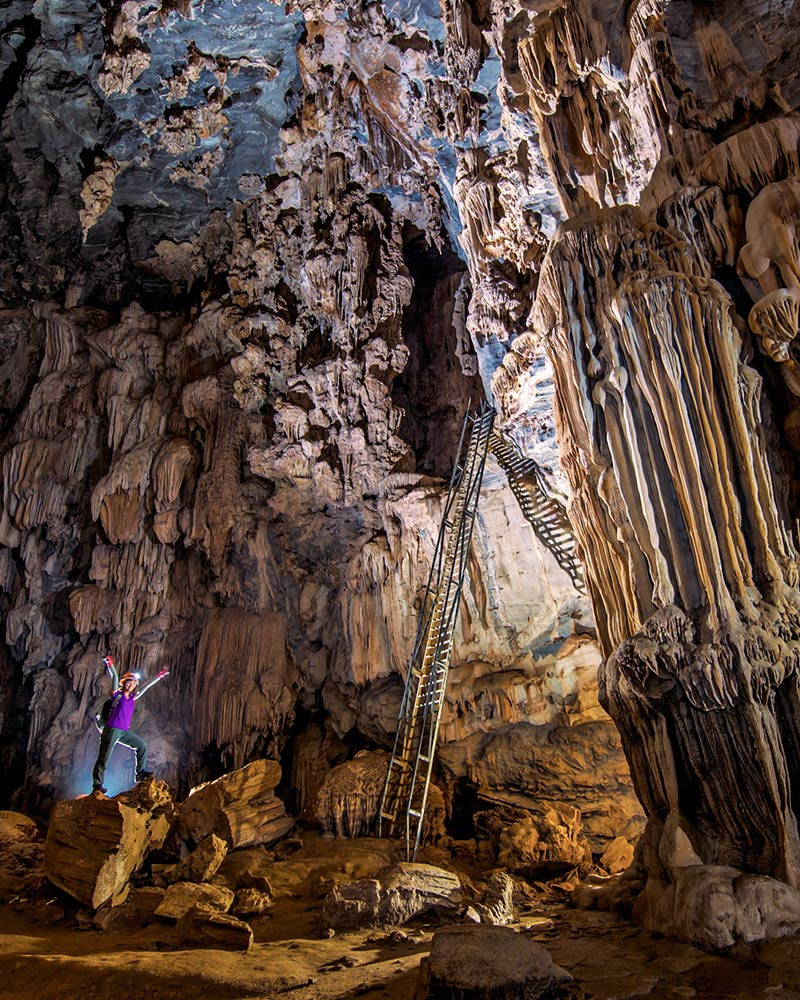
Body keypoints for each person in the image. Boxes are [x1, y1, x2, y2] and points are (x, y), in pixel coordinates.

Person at [91, 654, 169, 794]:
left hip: (123, 732)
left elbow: (147, 687)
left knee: (142, 745)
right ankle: (97, 784)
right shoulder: (117, 695)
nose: (131, 684)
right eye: (129, 682)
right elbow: (114, 677)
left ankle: (139, 773)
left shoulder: (133, 697)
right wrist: (109, 663)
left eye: (133, 683)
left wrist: (160, 675)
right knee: (104, 757)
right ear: (124, 682)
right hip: (111, 730)